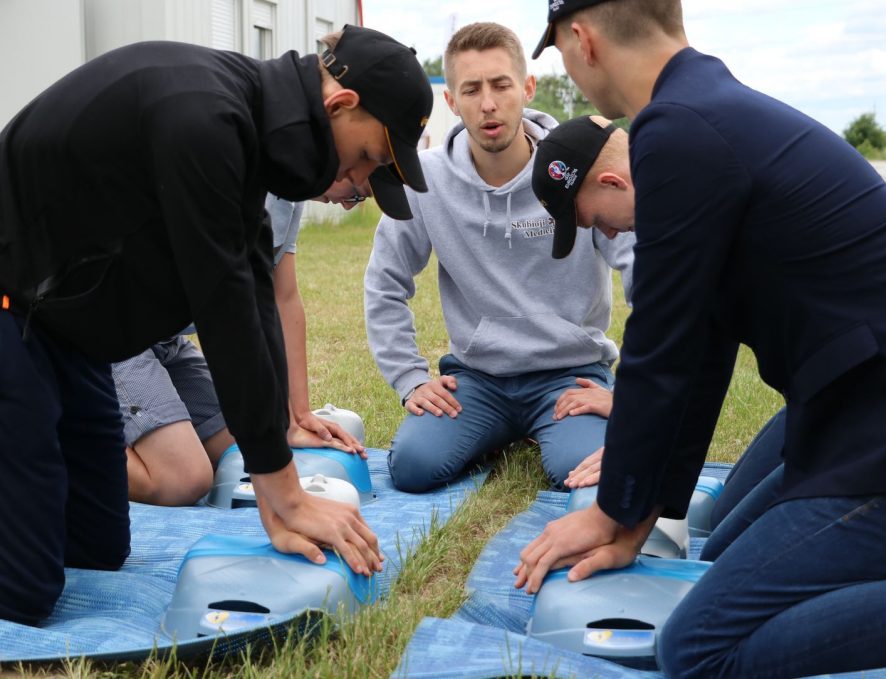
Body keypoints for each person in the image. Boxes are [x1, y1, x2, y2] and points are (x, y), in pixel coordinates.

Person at [514, 1, 886, 674]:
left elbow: (658, 344)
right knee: (715, 555)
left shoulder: (679, 130)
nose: (613, 236)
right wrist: (642, 512)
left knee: (697, 649)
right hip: (866, 400)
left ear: (583, 40)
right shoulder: (702, 108)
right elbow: (701, 351)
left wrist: (609, 510)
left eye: (559, 50)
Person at [0, 26, 433, 625]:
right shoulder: (203, 118)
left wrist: (279, 441)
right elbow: (223, 310)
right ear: (340, 104)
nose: (360, 183)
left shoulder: (244, 129)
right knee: (22, 593)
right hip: (11, 307)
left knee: (98, 548)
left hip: (64, 330)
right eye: (366, 160)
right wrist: (281, 492)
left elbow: (256, 299)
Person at [363, 22, 635, 494]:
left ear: (527, 88)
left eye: (501, 85)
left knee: (584, 473)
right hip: (478, 380)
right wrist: (410, 379)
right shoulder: (425, 181)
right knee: (412, 467)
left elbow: (646, 274)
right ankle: (493, 430)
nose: (488, 103)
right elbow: (385, 283)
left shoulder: (573, 169)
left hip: (568, 375)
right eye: (471, 89)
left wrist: (634, 394)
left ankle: (548, 430)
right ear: (451, 101)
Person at [117, 181, 371, 506]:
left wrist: (295, 416)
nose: (351, 205)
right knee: (184, 480)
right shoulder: (232, 168)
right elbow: (227, 320)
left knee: (235, 455)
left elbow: (284, 299)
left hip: (164, 339)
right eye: (355, 191)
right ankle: (55, 439)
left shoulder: (289, 198)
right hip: (117, 334)